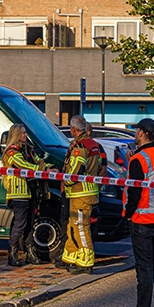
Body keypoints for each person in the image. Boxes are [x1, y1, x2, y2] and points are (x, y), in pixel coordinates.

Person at [117, 118, 154, 307]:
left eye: (136, 131)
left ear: (141, 133)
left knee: (144, 270)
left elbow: (135, 191)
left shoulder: (138, 159)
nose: (135, 134)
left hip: (141, 219)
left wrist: (128, 214)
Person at [60, 115, 106, 274]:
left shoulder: (79, 147)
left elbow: (76, 170)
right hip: (88, 192)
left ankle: (86, 261)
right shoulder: (94, 145)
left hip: (80, 193)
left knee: (81, 227)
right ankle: (71, 256)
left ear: (73, 129)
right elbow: (100, 168)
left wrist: (65, 182)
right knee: (73, 225)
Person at [1, 124, 45, 267]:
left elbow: (38, 160)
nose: (26, 135)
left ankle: (30, 253)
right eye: (23, 133)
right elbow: (22, 165)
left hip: (31, 191)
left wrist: (48, 167)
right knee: (20, 224)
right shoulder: (11, 152)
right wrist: (41, 169)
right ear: (16, 135)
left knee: (30, 223)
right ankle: (12, 253)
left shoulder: (28, 149)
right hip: (18, 192)